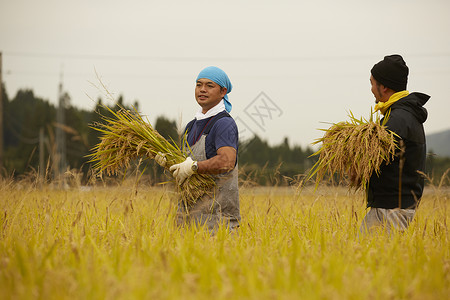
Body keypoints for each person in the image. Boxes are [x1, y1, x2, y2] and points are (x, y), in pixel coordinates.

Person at [156, 66, 240, 231]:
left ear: (223, 91)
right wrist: (168, 162)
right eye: (198, 84)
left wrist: (195, 167)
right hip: (188, 221)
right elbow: (183, 168)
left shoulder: (223, 123)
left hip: (217, 224)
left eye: (209, 86)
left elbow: (227, 161)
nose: (202, 90)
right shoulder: (192, 125)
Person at [359, 54, 430, 234]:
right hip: (389, 206)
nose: (371, 89)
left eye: (372, 83)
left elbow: (375, 158)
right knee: (363, 256)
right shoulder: (400, 115)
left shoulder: (398, 119)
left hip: (392, 209)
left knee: (377, 259)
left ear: (383, 86)